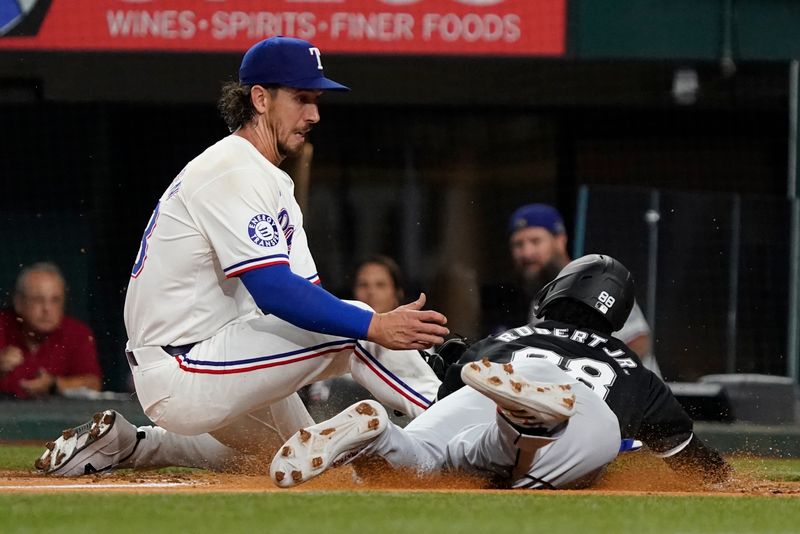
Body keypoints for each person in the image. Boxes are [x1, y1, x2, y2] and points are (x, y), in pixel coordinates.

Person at [35, 36, 447, 476]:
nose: (314, 114)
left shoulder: (270, 182)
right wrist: (378, 326)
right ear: (260, 99)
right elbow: (275, 292)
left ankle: (133, 445)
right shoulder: (230, 170)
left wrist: (357, 336)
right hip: (184, 365)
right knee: (361, 326)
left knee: (311, 467)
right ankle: (454, 426)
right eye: (302, 98)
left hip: (217, 364)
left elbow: (308, 299)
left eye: (317, 100)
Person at [269, 254, 731, 490]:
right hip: (581, 410)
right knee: (554, 454)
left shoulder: (508, 338)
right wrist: (722, 477)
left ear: (555, 293)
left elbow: (448, 395)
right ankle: (526, 421)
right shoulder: (632, 368)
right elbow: (690, 459)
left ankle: (384, 435)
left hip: (484, 387)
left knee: (435, 461)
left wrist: (457, 365)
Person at [482, 203, 661, 376]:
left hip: (631, 399)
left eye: (535, 241)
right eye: (518, 245)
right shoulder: (539, 299)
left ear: (560, 240)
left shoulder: (593, 279)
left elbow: (639, 341)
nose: (527, 253)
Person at [307, 254, 407, 403]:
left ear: (397, 294)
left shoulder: (416, 343)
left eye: (380, 285)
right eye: (363, 285)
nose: (371, 292)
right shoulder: (334, 339)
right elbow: (319, 400)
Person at [0, 262, 102, 399]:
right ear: (18, 302)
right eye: (38, 300)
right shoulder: (3, 325)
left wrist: (54, 385)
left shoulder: (77, 333)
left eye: (55, 300)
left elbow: (93, 384)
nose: (47, 309)